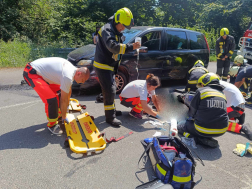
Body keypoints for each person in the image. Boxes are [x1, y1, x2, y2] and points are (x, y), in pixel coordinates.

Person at [93, 7, 141, 127]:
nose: (123, 28)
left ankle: (112, 111)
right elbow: (113, 47)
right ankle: (110, 117)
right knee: (110, 90)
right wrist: (131, 47)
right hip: (103, 66)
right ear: (117, 20)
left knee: (111, 89)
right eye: (122, 25)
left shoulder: (115, 30)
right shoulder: (107, 30)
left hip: (109, 66)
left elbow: (119, 46)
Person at [23, 57, 90, 135]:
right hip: (32, 73)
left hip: (42, 74)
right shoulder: (68, 76)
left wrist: (66, 107)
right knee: (52, 99)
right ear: (79, 74)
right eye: (82, 80)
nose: (81, 83)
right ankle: (52, 125)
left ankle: (59, 115)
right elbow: (64, 100)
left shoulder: (72, 70)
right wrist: (65, 117)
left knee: (59, 94)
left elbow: (68, 91)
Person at [178, 73, 229, 148]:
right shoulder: (222, 94)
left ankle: (199, 139)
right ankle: (206, 136)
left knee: (180, 126)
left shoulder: (201, 91)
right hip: (222, 130)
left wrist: (188, 119)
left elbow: (192, 112)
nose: (201, 86)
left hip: (202, 129)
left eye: (202, 84)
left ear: (206, 81)